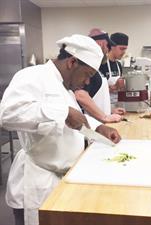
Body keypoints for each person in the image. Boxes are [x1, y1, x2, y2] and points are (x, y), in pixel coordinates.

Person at [0, 34, 121, 225]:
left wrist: (99, 126)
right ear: (72, 62)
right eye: (88, 75)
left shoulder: (64, 86)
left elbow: (74, 119)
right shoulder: (32, 76)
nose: (88, 82)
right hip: (37, 183)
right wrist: (64, 112)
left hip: (61, 182)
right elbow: (8, 115)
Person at [75, 28, 125, 123]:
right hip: (93, 126)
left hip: (101, 123)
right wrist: (104, 117)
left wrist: (108, 111)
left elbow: (95, 96)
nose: (108, 50)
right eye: (107, 46)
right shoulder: (86, 69)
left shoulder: (96, 69)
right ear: (100, 44)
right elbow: (80, 95)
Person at [100, 32, 129, 109]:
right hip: (104, 107)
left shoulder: (118, 65)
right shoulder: (102, 64)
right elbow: (96, 92)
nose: (124, 52)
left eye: (125, 49)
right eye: (121, 49)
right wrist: (114, 87)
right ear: (112, 47)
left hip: (118, 105)